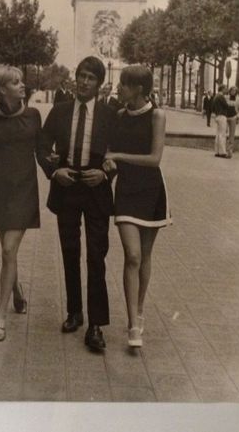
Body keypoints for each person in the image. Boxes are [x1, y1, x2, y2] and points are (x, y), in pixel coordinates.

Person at [37, 56, 115, 352]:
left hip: (96, 189)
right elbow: (42, 145)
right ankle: (74, 311)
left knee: (96, 255)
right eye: (81, 76)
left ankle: (96, 324)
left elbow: (118, 152)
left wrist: (106, 172)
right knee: (70, 251)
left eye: (91, 78)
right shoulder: (59, 111)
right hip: (67, 186)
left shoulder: (110, 115)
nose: (84, 82)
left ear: (99, 84)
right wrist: (54, 171)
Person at [103, 66, 171, 348]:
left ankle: (139, 310)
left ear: (139, 89)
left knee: (144, 256)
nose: (119, 88)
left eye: (124, 85)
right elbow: (111, 156)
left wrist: (117, 155)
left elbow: (155, 159)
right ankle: (133, 324)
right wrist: (109, 163)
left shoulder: (157, 115)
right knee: (132, 255)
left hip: (152, 191)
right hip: (127, 192)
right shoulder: (119, 116)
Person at [0, 65, 42, 342]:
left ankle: (0, 316)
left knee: (8, 250)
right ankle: (17, 292)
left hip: (24, 191)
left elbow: (42, 152)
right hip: (0, 194)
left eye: (22, 82)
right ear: (3, 89)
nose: (22, 86)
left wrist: (57, 170)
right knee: (9, 254)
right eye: (16, 83)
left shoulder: (33, 116)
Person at [225, 86, 239, 158]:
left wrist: (237, 116)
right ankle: (223, 150)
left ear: (236, 92)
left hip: (233, 118)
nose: (233, 92)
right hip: (225, 118)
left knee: (231, 135)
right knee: (224, 133)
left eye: (235, 91)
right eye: (232, 90)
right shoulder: (225, 97)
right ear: (229, 91)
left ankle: (229, 152)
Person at [212, 84, 229, 158]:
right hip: (222, 116)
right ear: (222, 89)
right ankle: (223, 152)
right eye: (225, 89)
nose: (227, 90)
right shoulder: (221, 96)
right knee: (222, 134)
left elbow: (212, 108)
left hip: (217, 116)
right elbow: (226, 106)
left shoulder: (216, 96)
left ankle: (217, 151)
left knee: (218, 134)